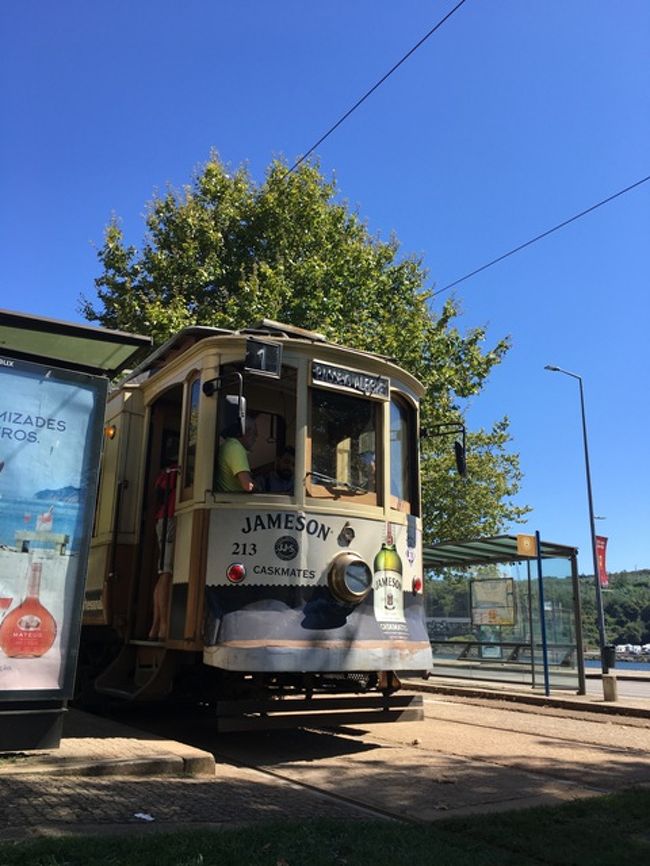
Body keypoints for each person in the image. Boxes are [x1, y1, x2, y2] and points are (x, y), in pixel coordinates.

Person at [148, 458, 178, 640]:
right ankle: (164, 627)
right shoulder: (178, 470)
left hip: (162, 519)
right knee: (167, 572)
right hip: (171, 519)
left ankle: (156, 625)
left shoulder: (165, 472)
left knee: (163, 573)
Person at [216, 415, 258, 492]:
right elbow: (248, 486)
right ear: (245, 432)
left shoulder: (228, 445)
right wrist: (258, 487)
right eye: (255, 433)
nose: (256, 438)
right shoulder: (236, 448)